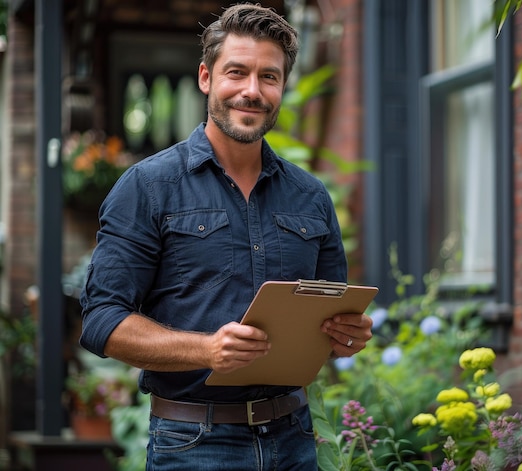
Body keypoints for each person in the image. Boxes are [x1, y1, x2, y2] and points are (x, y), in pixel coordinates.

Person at [79, 3, 373, 470]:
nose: (252, 91)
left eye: (269, 77)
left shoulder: (311, 196)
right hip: (193, 443)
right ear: (206, 78)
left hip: (294, 441)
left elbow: (330, 319)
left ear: (282, 86)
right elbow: (102, 323)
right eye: (237, 72)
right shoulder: (148, 186)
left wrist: (347, 334)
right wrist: (208, 349)